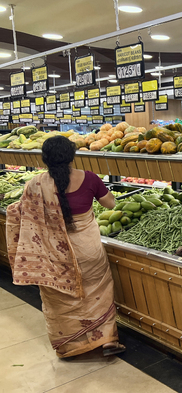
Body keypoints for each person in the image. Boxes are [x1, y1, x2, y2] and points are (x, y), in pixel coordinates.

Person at [6, 136, 125, 358]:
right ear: (72, 156)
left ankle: (71, 346)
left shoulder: (35, 184)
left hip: (53, 256)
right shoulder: (89, 178)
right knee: (98, 291)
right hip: (88, 251)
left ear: (45, 159)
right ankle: (107, 339)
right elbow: (111, 203)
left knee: (60, 298)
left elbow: (20, 212)